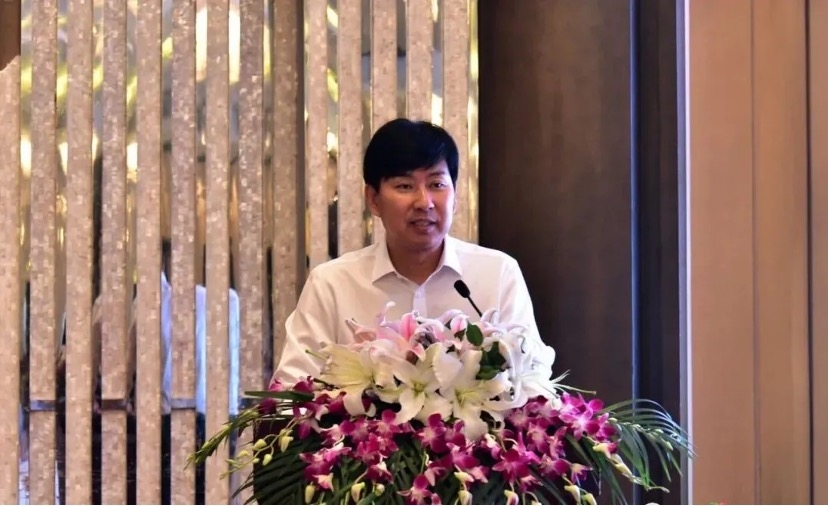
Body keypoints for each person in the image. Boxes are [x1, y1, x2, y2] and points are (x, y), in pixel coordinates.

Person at [274, 118, 541, 384]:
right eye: (405, 186)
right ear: (373, 199)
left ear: (455, 196)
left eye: (437, 185)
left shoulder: (498, 274)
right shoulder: (332, 284)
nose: (424, 202)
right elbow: (291, 387)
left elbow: (533, 380)